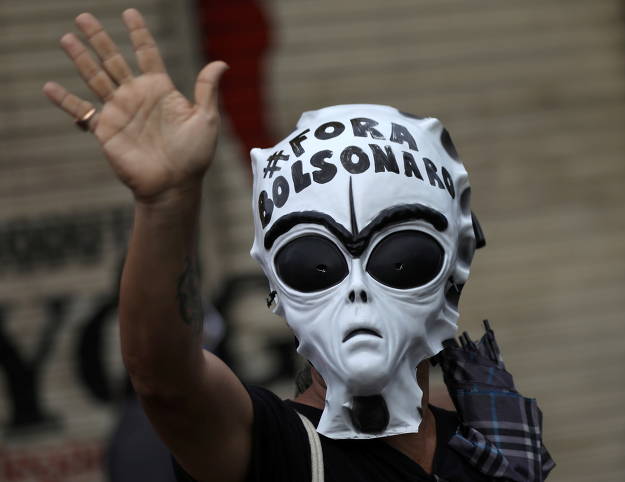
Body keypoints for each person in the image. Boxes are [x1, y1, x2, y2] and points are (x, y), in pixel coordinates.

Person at [44, 9, 553, 481]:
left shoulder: (486, 447)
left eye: (400, 259)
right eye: (315, 265)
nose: (357, 289)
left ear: (454, 269)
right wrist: (166, 202)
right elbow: (168, 385)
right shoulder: (276, 451)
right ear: (275, 288)